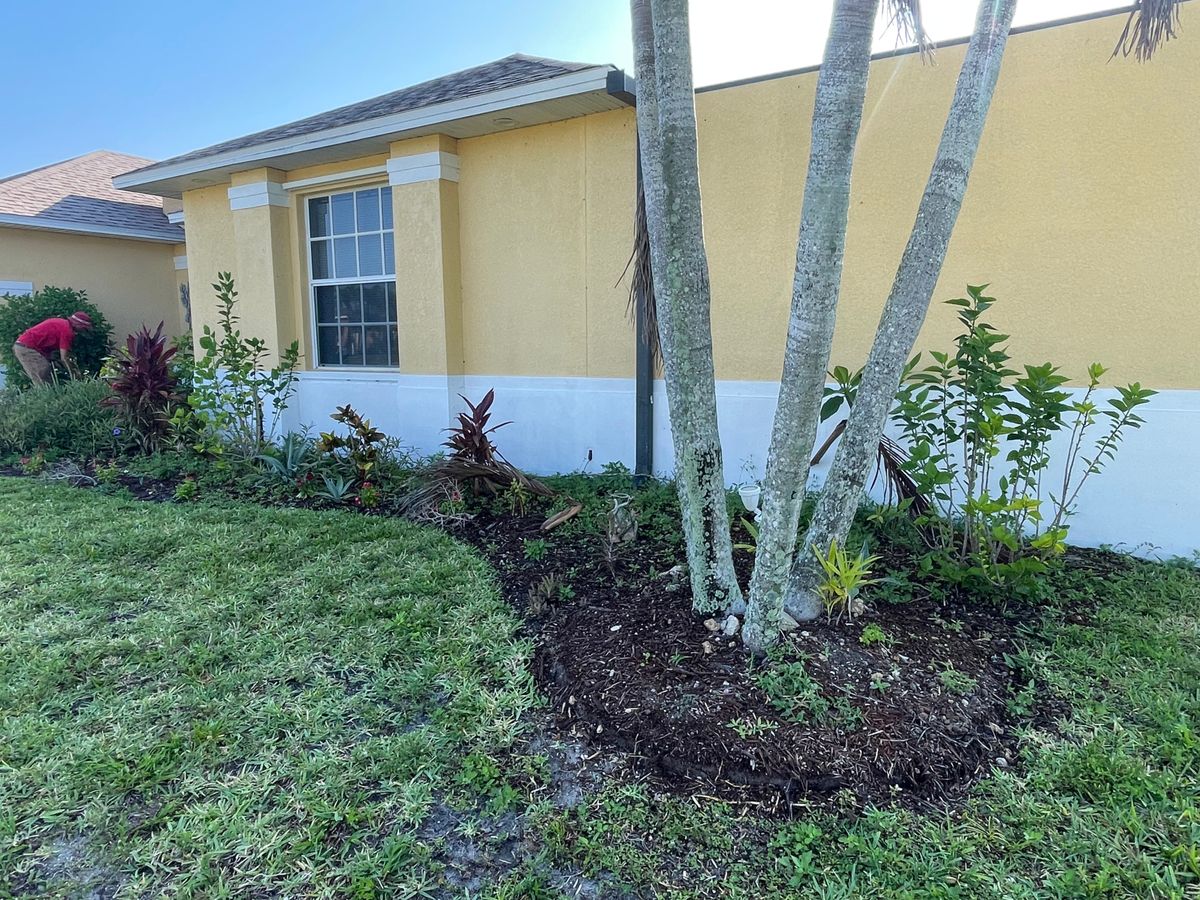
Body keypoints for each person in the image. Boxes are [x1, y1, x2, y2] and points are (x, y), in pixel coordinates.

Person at [12, 311, 93, 386]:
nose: (83, 331)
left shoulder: (62, 324)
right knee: (43, 373)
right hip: (27, 347)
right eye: (84, 328)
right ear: (77, 325)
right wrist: (74, 374)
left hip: (25, 346)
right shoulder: (67, 330)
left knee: (46, 374)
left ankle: (49, 395)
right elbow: (64, 357)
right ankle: (47, 397)